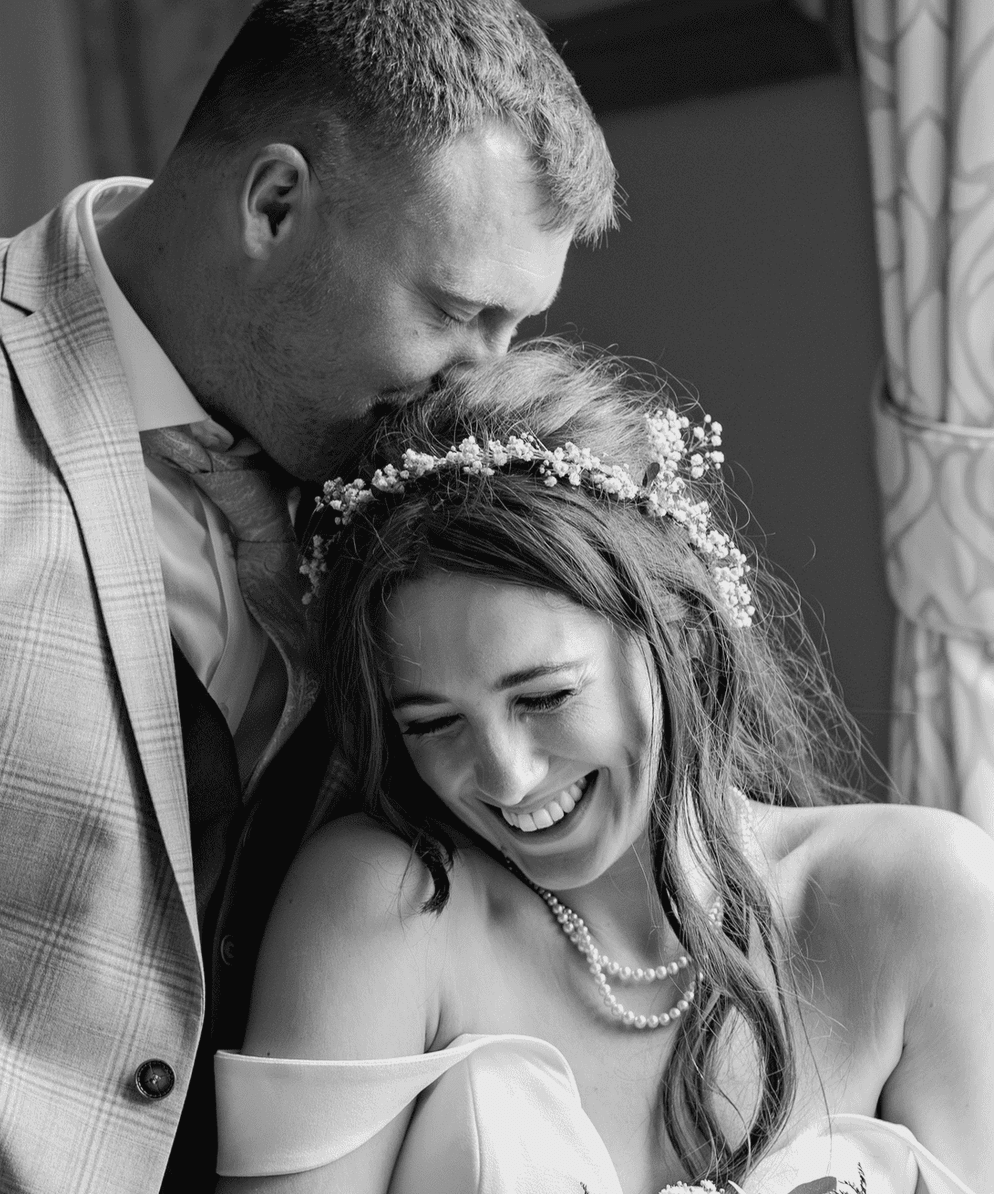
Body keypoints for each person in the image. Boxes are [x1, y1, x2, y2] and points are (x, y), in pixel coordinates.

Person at [0, 3, 617, 1190]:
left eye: (514, 323)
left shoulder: (409, 468)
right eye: (451, 310)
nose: (483, 370)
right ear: (273, 205)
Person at [213, 343, 994, 1194]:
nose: (505, 778)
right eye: (433, 723)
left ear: (685, 643)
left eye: (544, 698)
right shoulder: (390, 906)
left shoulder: (925, 898)